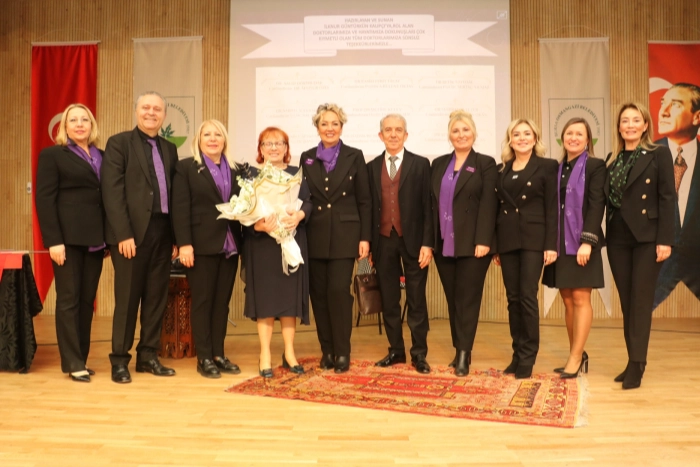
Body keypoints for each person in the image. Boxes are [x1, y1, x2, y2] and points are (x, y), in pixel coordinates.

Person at [101, 91, 179, 384]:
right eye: (146, 107)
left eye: (157, 109)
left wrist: (175, 238)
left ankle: (148, 356)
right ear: (136, 112)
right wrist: (123, 234)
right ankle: (119, 360)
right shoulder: (119, 144)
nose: (151, 113)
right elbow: (112, 192)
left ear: (164, 115)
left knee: (156, 298)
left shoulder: (170, 148)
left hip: (162, 232)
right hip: (130, 236)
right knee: (127, 300)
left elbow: (174, 195)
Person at [605, 102, 675, 389]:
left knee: (641, 302)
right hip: (617, 238)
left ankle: (637, 364)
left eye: (636, 120)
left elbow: (668, 197)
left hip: (647, 237)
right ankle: (633, 360)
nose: (630, 125)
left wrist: (665, 240)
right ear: (619, 127)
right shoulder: (612, 159)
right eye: (625, 120)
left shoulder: (659, 154)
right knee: (627, 302)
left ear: (646, 125)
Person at [35, 103, 105, 383]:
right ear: (64, 126)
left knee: (87, 301)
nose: (79, 124)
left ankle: (81, 358)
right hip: (66, 240)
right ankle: (72, 362)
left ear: (92, 125)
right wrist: (53, 241)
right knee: (68, 300)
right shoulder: (53, 155)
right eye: (73, 120)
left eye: (84, 120)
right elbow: (44, 199)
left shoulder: (102, 155)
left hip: (96, 239)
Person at [300, 103, 371, 374]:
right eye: (324, 124)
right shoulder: (307, 157)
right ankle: (327, 350)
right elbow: (303, 197)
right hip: (314, 235)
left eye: (335, 124)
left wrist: (365, 238)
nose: (329, 128)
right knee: (318, 294)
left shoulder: (355, 155)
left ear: (342, 127)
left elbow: (364, 200)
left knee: (338, 293)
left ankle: (342, 351)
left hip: (345, 235)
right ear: (317, 127)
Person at [172, 119, 244, 379]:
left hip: (230, 245)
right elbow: (180, 208)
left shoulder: (236, 169)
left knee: (221, 303)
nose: (213, 139)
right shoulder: (186, 168)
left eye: (218, 135)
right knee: (202, 302)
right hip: (199, 245)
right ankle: (203, 357)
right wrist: (184, 245)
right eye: (207, 135)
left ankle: (218, 354)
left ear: (224, 140)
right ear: (198, 140)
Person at [431, 110, 497, 376]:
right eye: (456, 131)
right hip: (443, 244)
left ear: (474, 133)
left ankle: (463, 354)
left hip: (473, 245)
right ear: (449, 135)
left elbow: (489, 204)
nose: (461, 135)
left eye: (465, 130)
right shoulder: (438, 164)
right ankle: (460, 347)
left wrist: (484, 240)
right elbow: (431, 204)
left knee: (468, 299)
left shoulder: (485, 163)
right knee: (453, 299)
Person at [367, 114, 434, 374]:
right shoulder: (371, 167)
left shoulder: (421, 164)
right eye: (388, 130)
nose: (393, 134)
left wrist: (428, 244)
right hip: (383, 241)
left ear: (406, 135)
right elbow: (369, 208)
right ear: (380, 135)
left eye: (398, 130)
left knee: (416, 300)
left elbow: (428, 207)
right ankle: (396, 350)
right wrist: (370, 245)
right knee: (389, 299)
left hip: (414, 242)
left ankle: (419, 354)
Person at [244, 127, 312, 378]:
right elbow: (243, 211)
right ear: (261, 149)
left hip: (291, 242)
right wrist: (258, 225)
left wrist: (300, 215)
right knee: (266, 302)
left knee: (289, 301)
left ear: (286, 148)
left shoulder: (297, 174)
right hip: (262, 245)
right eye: (268, 144)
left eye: (279, 143)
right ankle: (265, 354)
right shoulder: (251, 176)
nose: (273, 148)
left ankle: (289, 353)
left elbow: (308, 202)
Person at [493, 118, 558, 379]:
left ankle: (528, 357)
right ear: (510, 140)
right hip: (508, 239)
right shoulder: (501, 170)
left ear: (535, 138)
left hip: (534, 240)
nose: (521, 138)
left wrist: (551, 245)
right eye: (516, 134)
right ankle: (517, 353)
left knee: (527, 297)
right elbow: (496, 210)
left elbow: (552, 208)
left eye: (526, 134)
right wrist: (496, 247)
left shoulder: (547, 166)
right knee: (513, 299)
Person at [542, 118, 606, 379]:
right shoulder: (556, 168)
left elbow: (597, 204)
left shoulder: (595, 166)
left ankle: (575, 357)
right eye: (569, 133)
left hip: (582, 244)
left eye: (579, 134)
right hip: (560, 244)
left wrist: (587, 242)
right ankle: (577, 352)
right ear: (562, 138)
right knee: (567, 300)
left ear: (587, 139)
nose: (573, 138)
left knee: (581, 299)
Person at [653, 83, 700, 308]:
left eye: (676, 105)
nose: (663, 111)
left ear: (697, 117)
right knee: (639, 313)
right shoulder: (646, 155)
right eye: (663, 103)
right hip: (656, 256)